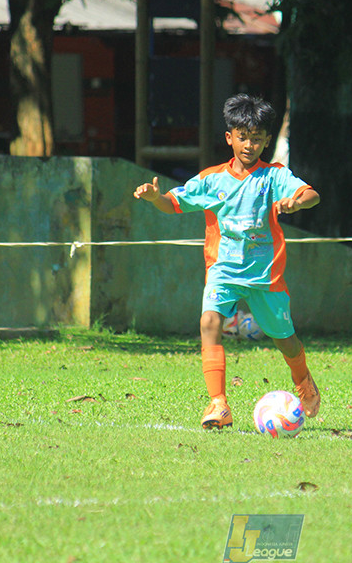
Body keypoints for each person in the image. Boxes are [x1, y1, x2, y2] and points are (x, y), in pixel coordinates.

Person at [133, 94, 322, 429]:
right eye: (243, 137)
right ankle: (219, 404)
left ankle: (303, 379)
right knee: (209, 323)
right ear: (229, 138)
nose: (249, 145)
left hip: (266, 275)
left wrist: (296, 202)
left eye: (257, 138)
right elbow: (173, 204)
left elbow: (311, 194)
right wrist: (154, 198)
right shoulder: (212, 180)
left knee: (284, 339)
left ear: (266, 141)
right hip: (222, 270)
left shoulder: (274, 176)